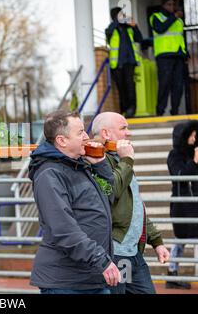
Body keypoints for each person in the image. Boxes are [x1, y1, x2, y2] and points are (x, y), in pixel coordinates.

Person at [28, 110, 120, 294]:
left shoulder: (79, 165)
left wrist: (101, 164)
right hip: (67, 282)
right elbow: (63, 228)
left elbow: (109, 196)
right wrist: (101, 259)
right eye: (80, 132)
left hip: (90, 277)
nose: (86, 136)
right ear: (62, 141)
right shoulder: (49, 174)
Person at [92, 112, 170, 294]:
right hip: (116, 253)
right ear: (106, 133)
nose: (129, 133)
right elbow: (113, 190)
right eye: (123, 128)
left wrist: (156, 241)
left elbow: (135, 206)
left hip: (132, 253)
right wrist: (127, 160)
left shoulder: (121, 159)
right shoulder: (97, 161)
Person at [165, 120, 198, 289]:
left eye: (195, 135)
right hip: (182, 205)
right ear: (184, 136)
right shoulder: (174, 155)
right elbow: (180, 175)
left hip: (197, 202)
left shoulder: (195, 152)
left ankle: (172, 273)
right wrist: (194, 161)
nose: (194, 138)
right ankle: (172, 274)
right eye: (191, 135)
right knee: (180, 239)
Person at [149, 0, 188, 116]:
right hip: (164, 56)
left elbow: (180, 38)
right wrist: (174, 17)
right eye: (169, 4)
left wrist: (186, 53)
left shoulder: (179, 21)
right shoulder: (155, 17)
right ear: (163, 5)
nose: (172, 7)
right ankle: (160, 111)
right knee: (164, 84)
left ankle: (174, 111)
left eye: (173, 5)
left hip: (178, 55)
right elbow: (160, 29)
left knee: (178, 86)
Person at [105, 7, 143, 118]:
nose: (123, 16)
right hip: (117, 64)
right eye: (120, 14)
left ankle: (131, 110)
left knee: (130, 86)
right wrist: (118, 20)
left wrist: (134, 26)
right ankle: (125, 109)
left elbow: (139, 38)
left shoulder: (129, 28)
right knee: (121, 89)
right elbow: (108, 34)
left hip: (129, 62)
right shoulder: (111, 29)